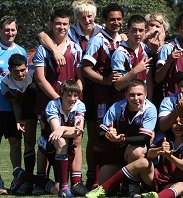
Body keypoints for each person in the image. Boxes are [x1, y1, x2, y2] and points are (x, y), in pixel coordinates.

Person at [33, 8, 85, 196]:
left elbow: (79, 78)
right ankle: (40, 180)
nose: (61, 27)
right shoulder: (42, 49)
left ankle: (75, 181)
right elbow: (40, 79)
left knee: (76, 139)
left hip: (71, 102)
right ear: (52, 25)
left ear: (69, 25)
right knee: (48, 140)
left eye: (64, 24)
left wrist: (75, 97)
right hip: (50, 103)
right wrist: (58, 100)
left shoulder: (76, 47)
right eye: (58, 24)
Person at [85, 116, 183, 198]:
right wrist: (160, 150)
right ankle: (102, 189)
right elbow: (149, 154)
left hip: (173, 182)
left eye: (182, 123)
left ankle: (156, 196)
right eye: (175, 122)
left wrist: (169, 156)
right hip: (155, 178)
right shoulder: (163, 136)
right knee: (143, 161)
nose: (178, 125)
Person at [81, 3, 125, 188]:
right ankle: (94, 179)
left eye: (119, 19)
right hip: (101, 95)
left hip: (120, 96)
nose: (116, 22)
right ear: (105, 21)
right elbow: (86, 68)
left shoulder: (123, 40)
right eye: (112, 19)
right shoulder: (98, 40)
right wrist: (106, 81)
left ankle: (116, 180)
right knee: (100, 135)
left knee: (117, 135)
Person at [93, 79, 157, 191]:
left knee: (136, 151)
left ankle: (134, 185)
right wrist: (108, 134)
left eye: (139, 94)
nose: (136, 98)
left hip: (133, 150)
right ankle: (124, 184)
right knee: (105, 188)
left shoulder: (150, 109)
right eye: (132, 95)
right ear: (125, 95)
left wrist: (121, 140)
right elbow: (100, 134)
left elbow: (144, 138)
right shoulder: (117, 107)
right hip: (116, 150)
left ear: (146, 94)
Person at [37, 79, 85, 197]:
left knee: (64, 141)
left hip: (66, 144)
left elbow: (78, 131)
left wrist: (62, 128)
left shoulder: (80, 105)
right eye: (69, 95)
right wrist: (64, 130)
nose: (73, 98)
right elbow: (55, 131)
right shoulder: (53, 104)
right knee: (61, 140)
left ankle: (23, 175)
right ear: (61, 94)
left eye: (75, 95)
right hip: (47, 141)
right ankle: (62, 185)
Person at [1, 54, 37, 194]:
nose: (20, 73)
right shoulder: (5, 83)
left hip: (38, 110)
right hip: (24, 111)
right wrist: (18, 120)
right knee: (26, 141)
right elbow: (15, 103)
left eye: (23, 70)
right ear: (9, 69)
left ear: (26, 67)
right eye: (16, 71)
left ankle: (36, 179)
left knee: (33, 142)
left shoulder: (34, 74)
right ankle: (25, 180)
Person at [0, 15, 28, 195]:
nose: (10, 33)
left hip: (13, 108)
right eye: (6, 29)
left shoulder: (21, 51)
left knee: (15, 143)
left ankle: (17, 179)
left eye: (13, 29)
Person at [38, 0, 102, 66]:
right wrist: (55, 51)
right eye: (83, 17)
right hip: (75, 71)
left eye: (89, 16)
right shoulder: (70, 30)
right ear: (77, 17)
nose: (87, 20)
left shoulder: (102, 31)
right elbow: (42, 35)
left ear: (94, 15)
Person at [155, 12, 183, 97]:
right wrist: (169, 61)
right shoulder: (167, 48)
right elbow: (158, 78)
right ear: (177, 29)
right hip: (171, 99)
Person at [112, 14, 153, 99]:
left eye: (140, 30)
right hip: (125, 102)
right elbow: (118, 85)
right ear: (127, 30)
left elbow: (148, 79)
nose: (137, 34)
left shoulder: (145, 49)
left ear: (145, 31)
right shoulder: (120, 53)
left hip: (143, 102)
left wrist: (149, 101)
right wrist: (135, 71)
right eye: (134, 30)